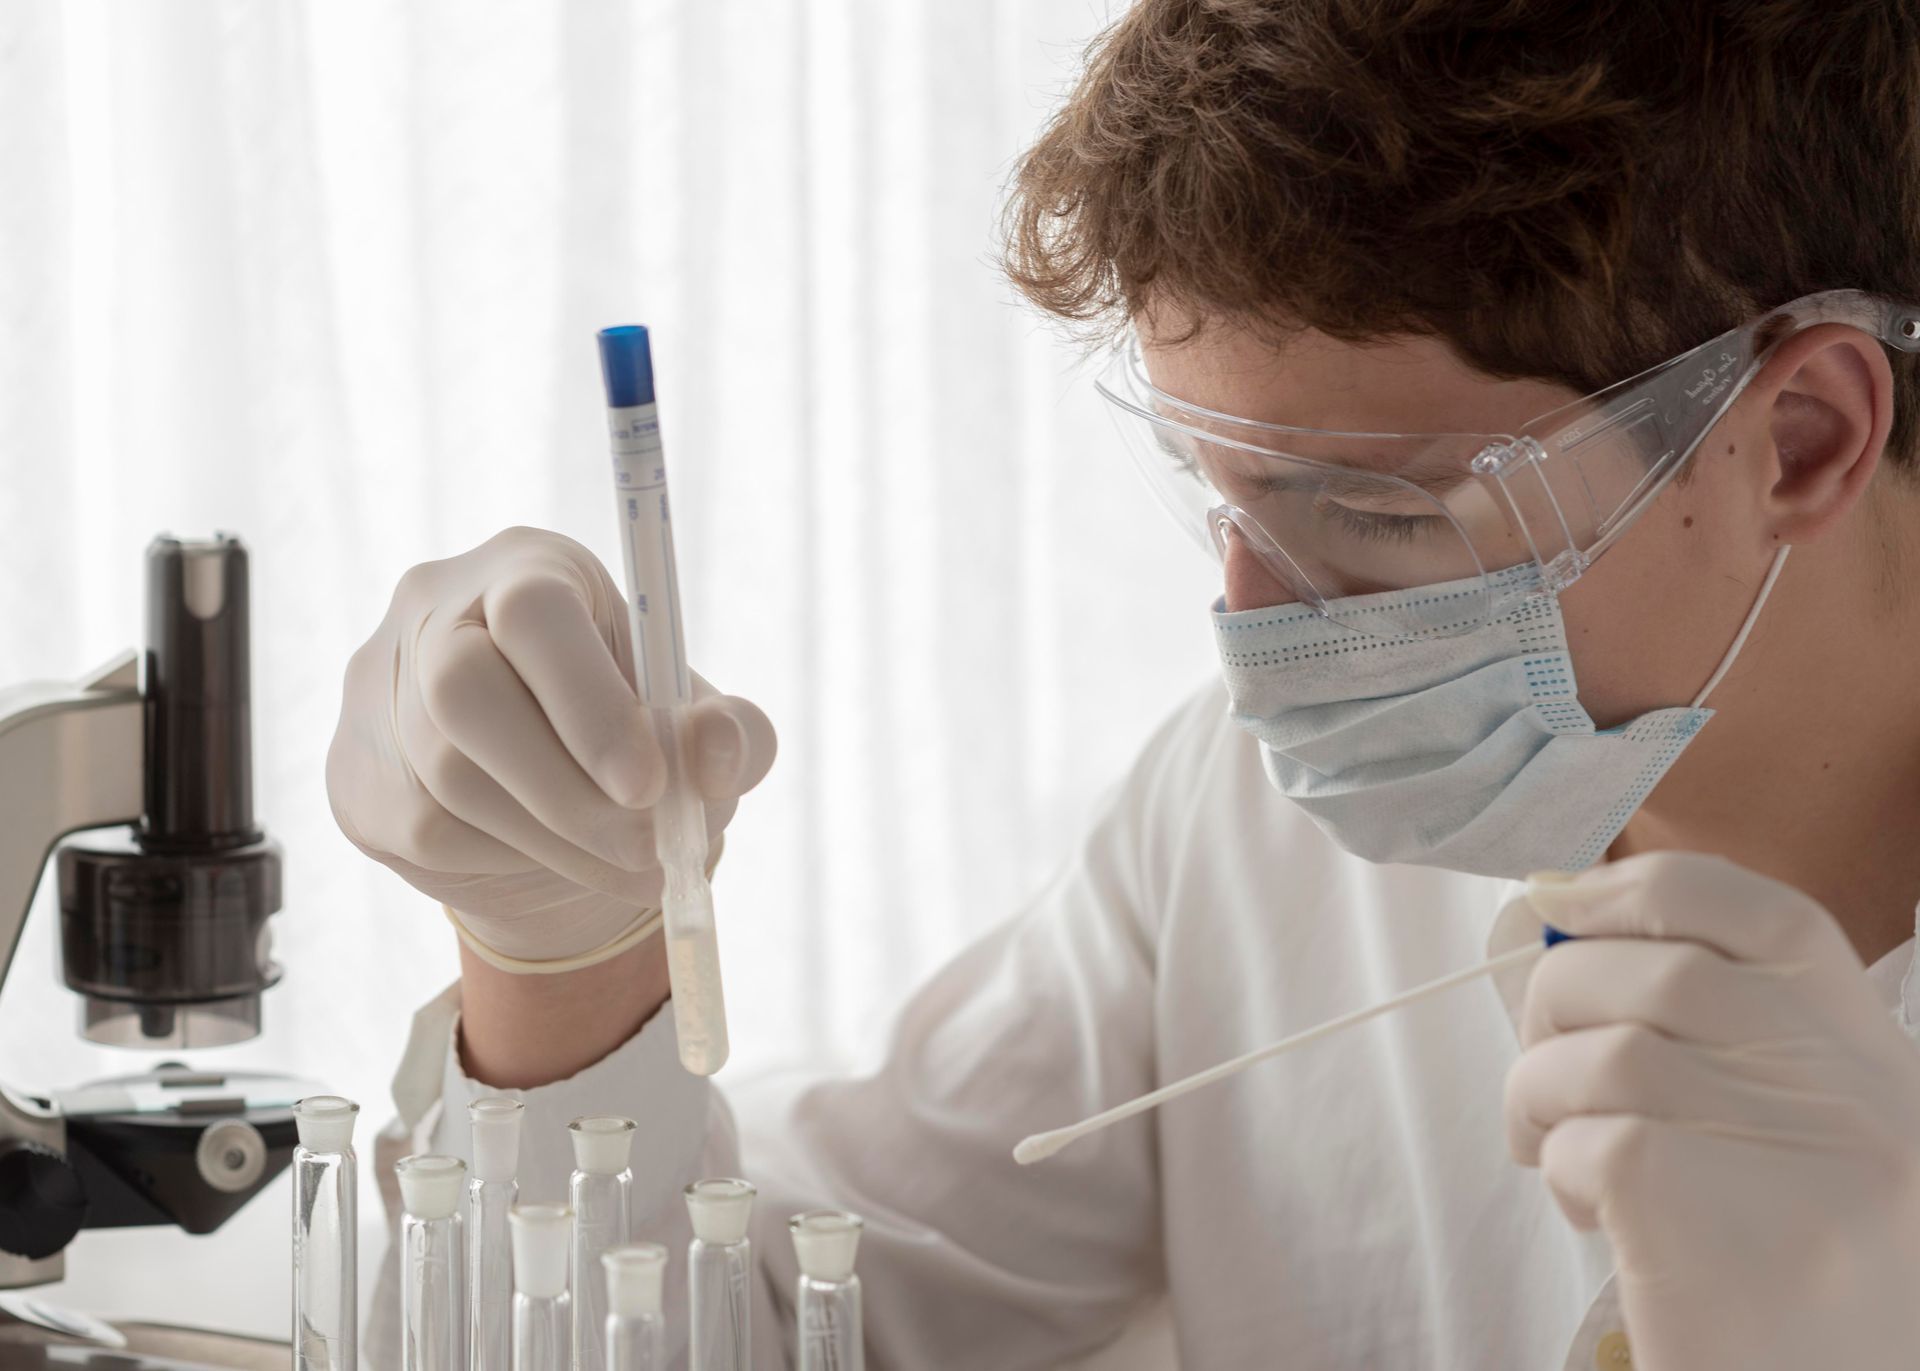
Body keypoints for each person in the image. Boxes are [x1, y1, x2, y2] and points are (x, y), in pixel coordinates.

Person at [328, 2, 1920, 1366]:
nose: (1248, 625)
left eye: (1373, 512)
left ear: (1801, 440)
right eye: (1222, 500)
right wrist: (558, 964)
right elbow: (770, 1324)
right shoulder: (1245, 830)